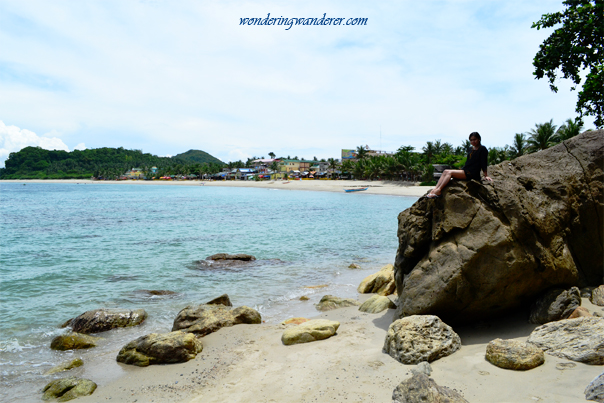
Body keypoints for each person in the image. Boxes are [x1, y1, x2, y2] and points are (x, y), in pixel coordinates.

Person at [426, 132, 492, 198]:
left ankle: (439, 190)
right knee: (445, 171)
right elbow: (469, 161)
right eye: (471, 140)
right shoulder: (470, 149)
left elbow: (484, 162)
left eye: (474, 139)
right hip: (465, 170)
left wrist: (486, 175)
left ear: (479, 139)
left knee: (449, 172)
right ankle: (435, 189)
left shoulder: (482, 149)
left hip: (472, 173)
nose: (473, 141)